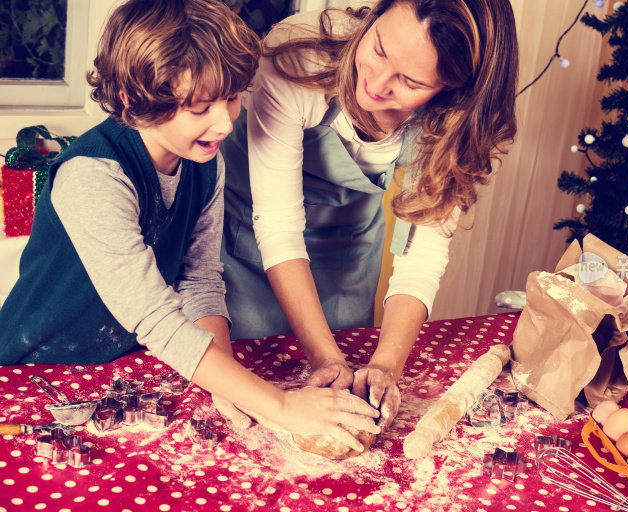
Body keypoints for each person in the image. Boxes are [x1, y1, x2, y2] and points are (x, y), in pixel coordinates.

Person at [0, 0, 379, 452]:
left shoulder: (205, 162)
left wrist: (225, 379)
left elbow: (198, 279)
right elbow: (155, 315)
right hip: (38, 378)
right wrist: (280, 405)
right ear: (133, 100)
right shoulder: (92, 177)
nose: (225, 122)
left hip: (124, 375)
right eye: (200, 108)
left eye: (232, 98)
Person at [217, 0, 518, 432]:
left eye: (410, 81)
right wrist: (324, 357)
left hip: (349, 253)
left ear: (453, 90)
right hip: (251, 247)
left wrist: (386, 368)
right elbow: (279, 228)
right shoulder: (297, 58)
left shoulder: (455, 124)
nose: (375, 84)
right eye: (378, 49)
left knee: (346, 399)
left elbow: (421, 258)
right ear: (376, 15)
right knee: (253, 406)